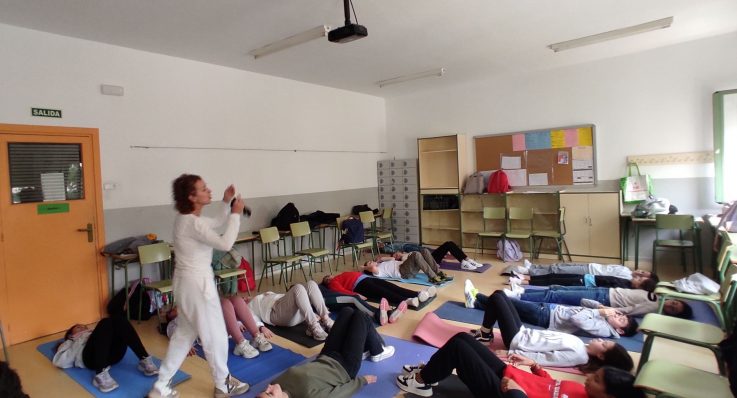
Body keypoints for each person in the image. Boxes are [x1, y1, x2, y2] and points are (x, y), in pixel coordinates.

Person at [150, 174, 248, 398]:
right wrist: (235, 214)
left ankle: (161, 385)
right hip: (197, 286)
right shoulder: (192, 223)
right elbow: (225, 243)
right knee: (216, 336)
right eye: (203, 189)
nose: (208, 191)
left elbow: (212, 224)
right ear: (192, 196)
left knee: (184, 334)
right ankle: (223, 385)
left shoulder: (186, 219)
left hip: (187, 284)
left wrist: (225, 202)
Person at [396, 332, 644, 398]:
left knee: (460, 350)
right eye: (595, 375)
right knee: (462, 339)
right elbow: (553, 386)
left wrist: (516, 391)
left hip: (503, 392)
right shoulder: (585, 390)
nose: (589, 379)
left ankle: (421, 382)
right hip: (512, 376)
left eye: (597, 381)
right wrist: (534, 365)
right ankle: (430, 373)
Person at [463, 288, 633, 370]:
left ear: (601, 355)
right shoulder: (582, 346)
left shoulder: (579, 356)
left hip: (517, 340)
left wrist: (509, 355)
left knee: (498, 298)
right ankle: (485, 333)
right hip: (524, 332)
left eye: (603, 344)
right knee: (499, 295)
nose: (601, 340)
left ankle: (485, 334)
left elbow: (546, 359)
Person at [256, 307, 393, 398]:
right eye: (269, 393)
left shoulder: (276, 383)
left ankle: (365, 346)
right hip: (345, 367)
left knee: (347, 312)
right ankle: (377, 351)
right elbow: (339, 394)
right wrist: (362, 381)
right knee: (360, 317)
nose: (267, 387)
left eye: (264, 391)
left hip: (326, 355)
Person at [53, 317, 159, 393]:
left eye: (84, 326)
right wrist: (77, 340)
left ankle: (145, 359)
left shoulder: (96, 332)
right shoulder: (71, 341)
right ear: (71, 335)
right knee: (105, 321)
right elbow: (60, 361)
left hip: (113, 356)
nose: (83, 327)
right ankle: (100, 375)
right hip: (91, 359)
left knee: (120, 320)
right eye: (78, 327)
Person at [476, 289, 637, 339]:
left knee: (505, 301)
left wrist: (600, 312)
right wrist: (601, 306)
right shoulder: (604, 318)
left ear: (620, 331)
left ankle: (478, 296)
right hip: (551, 310)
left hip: (547, 317)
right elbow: (583, 302)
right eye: (619, 314)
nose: (617, 316)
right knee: (505, 307)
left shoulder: (604, 329)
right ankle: (476, 302)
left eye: (620, 320)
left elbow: (577, 319)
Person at [165, 296, 273, 359]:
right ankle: (240, 344)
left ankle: (256, 337)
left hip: (219, 326)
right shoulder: (179, 319)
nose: (176, 307)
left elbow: (247, 315)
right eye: (173, 309)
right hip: (210, 333)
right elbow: (171, 329)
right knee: (224, 303)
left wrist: (260, 327)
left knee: (236, 299)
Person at [507, 284, 693, 318]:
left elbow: (630, 310)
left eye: (673, 309)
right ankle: (522, 290)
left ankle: (518, 297)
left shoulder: (653, 307)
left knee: (555, 296)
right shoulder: (661, 295)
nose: (671, 305)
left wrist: (609, 310)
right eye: (674, 303)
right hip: (605, 290)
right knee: (558, 289)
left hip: (604, 299)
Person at [247, 280, 334, 341]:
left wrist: (313, 313)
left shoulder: (266, 294)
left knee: (311, 283)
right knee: (298, 288)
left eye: (244, 296)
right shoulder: (251, 303)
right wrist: (261, 328)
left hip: (295, 313)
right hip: (275, 314)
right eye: (242, 298)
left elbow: (293, 300)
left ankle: (326, 319)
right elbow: (251, 317)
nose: (244, 297)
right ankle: (313, 326)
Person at [322, 271, 437, 308]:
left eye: (329, 276)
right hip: (360, 285)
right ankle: (408, 300)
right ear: (327, 281)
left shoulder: (340, 275)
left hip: (367, 278)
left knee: (393, 287)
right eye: (327, 278)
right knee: (385, 292)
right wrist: (356, 295)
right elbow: (341, 290)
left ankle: (418, 293)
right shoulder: (332, 283)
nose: (329, 277)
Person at [320, 283, 408, 326]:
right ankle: (378, 315)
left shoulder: (328, 286)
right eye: (327, 278)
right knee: (354, 299)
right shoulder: (320, 286)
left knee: (355, 304)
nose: (329, 277)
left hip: (334, 298)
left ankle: (389, 314)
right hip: (327, 300)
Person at [364, 247, 453, 284]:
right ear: (369, 269)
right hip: (403, 272)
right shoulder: (377, 272)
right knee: (416, 254)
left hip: (407, 267)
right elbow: (372, 268)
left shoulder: (381, 264)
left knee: (425, 251)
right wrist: (365, 267)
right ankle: (433, 277)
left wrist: (381, 259)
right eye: (369, 263)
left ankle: (439, 274)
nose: (371, 262)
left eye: (370, 261)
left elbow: (392, 259)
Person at [382, 240, 484, 270]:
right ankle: (464, 262)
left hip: (429, 256)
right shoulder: (403, 260)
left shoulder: (405, 253)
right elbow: (383, 258)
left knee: (449, 244)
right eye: (395, 255)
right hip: (428, 260)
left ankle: (466, 260)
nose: (396, 254)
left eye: (396, 253)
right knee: (448, 245)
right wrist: (387, 258)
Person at [511, 271, 658, 291]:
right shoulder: (627, 281)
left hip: (584, 283)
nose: (637, 278)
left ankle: (522, 283)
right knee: (553, 274)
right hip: (587, 277)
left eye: (640, 280)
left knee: (553, 281)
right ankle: (524, 277)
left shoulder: (624, 288)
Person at [512, 259, 652, 280]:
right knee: (559, 265)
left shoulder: (626, 278)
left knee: (559, 271)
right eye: (642, 271)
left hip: (589, 273)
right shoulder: (626, 268)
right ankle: (533, 267)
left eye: (642, 275)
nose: (640, 272)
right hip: (590, 266)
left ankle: (529, 272)